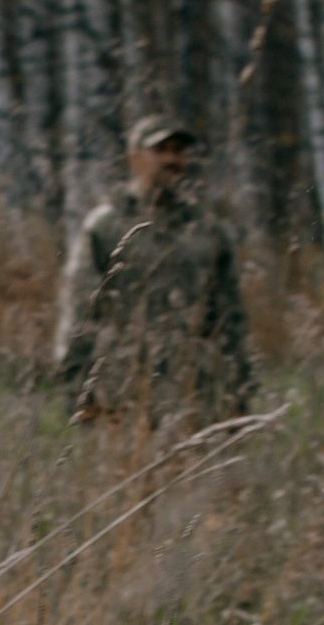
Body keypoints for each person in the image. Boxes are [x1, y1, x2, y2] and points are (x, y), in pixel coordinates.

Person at [54, 114, 254, 425]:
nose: (172, 160)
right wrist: (77, 390)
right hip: (121, 394)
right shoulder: (105, 226)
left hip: (196, 395)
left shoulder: (207, 229)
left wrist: (239, 390)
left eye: (179, 151)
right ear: (135, 158)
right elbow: (80, 312)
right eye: (161, 150)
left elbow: (231, 316)